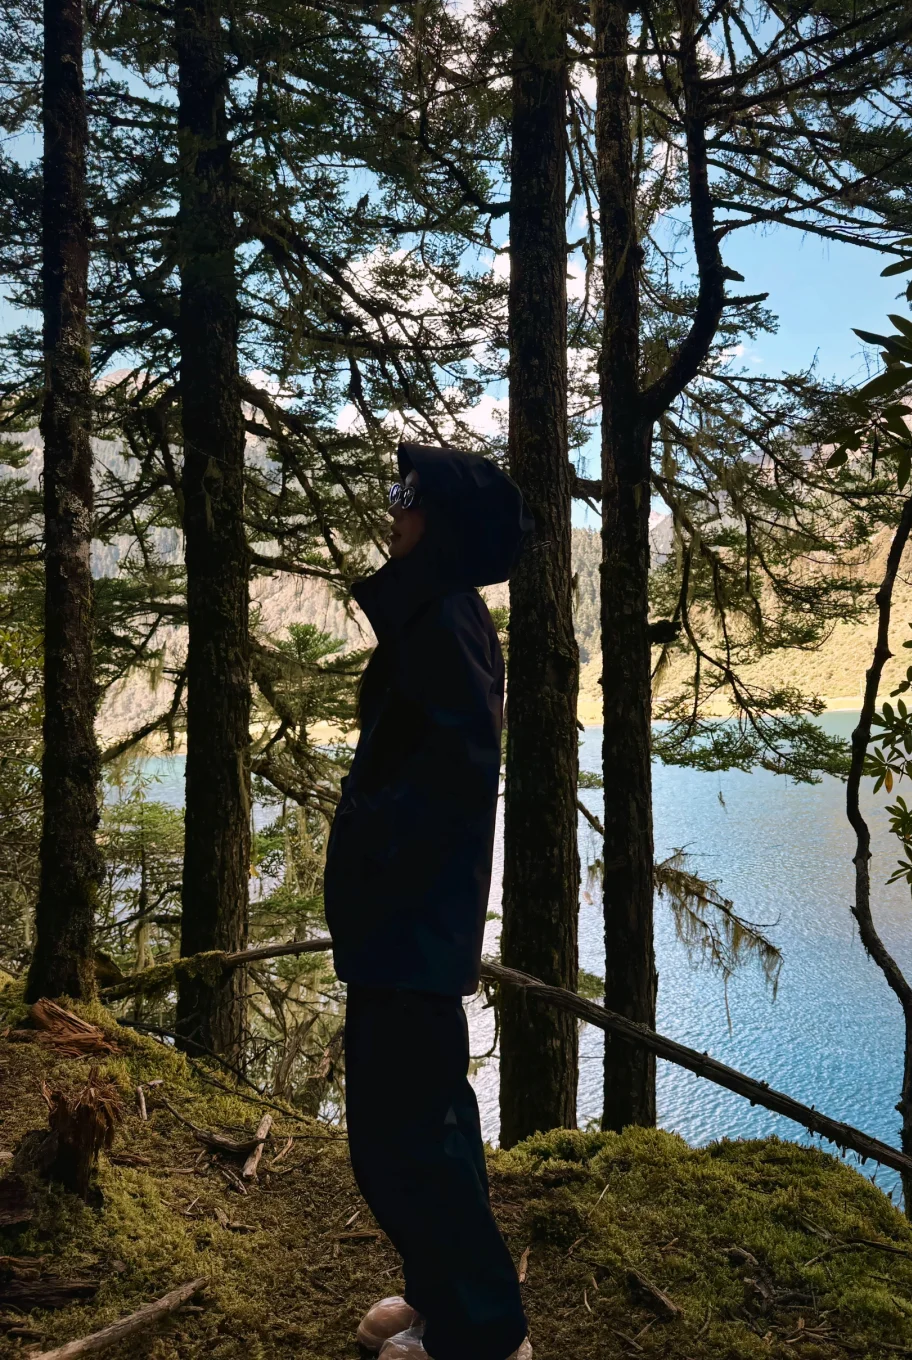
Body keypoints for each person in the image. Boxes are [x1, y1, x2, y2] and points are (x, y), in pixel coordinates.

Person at [324, 442, 534, 1360]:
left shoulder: (444, 620)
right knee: (401, 1131)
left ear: (439, 520)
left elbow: (452, 781)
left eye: (406, 495)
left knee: (415, 1135)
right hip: (400, 924)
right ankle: (440, 1302)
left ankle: (485, 1335)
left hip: (410, 925)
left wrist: (371, 846)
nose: (392, 510)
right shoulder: (432, 617)